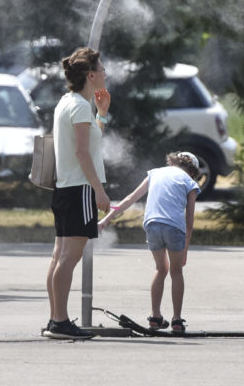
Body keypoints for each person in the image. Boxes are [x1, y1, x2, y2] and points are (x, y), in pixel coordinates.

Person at [42, 47, 111, 340]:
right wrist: (99, 191)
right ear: (91, 75)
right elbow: (83, 152)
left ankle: (55, 318)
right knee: (69, 257)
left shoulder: (68, 103)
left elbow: (87, 144)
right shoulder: (80, 107)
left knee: (60, 256)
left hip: (65, 188)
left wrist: (103, 115)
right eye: (102, 69)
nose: (106, 73)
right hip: (80, 189)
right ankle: (60, 321)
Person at [99, 152, 201, 334]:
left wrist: (105, 220)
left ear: (172, 162)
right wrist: (185, 249)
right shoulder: (190, 182)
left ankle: (155, 317)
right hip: (174, 227)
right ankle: (177, 321)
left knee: (160, 268)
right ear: (192, 171)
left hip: (152, 224)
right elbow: (189, 220)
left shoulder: (155, 173)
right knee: (176, 271)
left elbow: (130, 198)